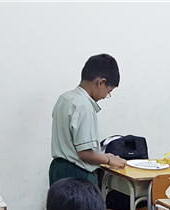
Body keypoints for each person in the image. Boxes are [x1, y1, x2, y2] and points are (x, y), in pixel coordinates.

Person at [50, 54, 127, 184]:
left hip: (57, 169)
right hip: (76, 174)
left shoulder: (65, 98)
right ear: (101, 82)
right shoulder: (84, 106)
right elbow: (85, 154)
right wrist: (108, 160)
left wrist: (103, 156)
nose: (105, 96)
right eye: (108, 92)